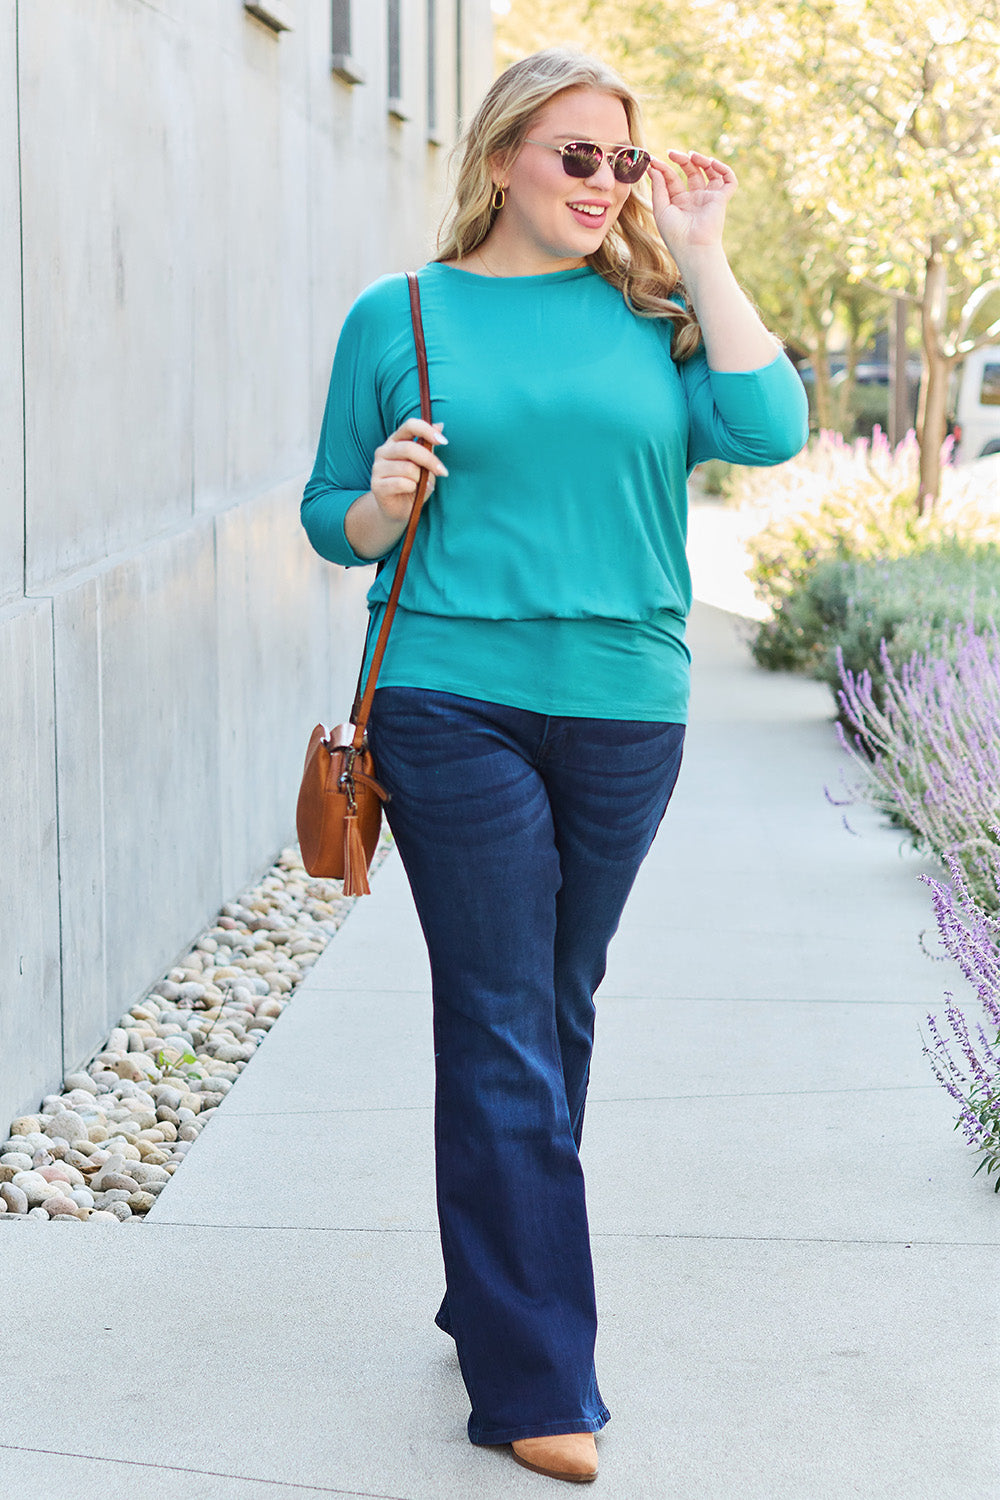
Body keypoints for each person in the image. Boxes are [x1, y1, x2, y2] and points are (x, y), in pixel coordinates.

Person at [302, 47, 808, 1486]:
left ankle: (490, 1285)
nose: (603, 184)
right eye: (576, 156)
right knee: (504, 1013)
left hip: (627, 704)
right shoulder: (397, 313)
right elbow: (325, 510)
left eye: (623, 163)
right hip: (450, 698)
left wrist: (701, 250)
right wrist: (382, 503)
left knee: (553, 1001)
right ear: (505, 157)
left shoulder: (653, 317)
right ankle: (535, 1379)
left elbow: (771, 430)